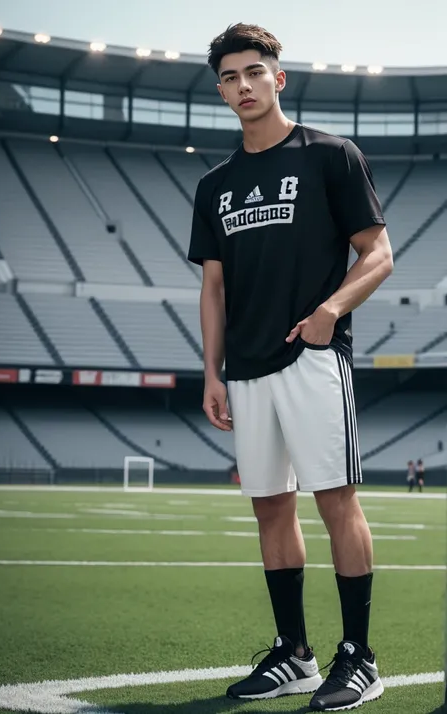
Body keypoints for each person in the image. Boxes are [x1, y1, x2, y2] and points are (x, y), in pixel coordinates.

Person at [187, 23, 394, 711]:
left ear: (280, 78)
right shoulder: (215, 185)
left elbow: (378, 253)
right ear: (219, 89)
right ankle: (295, 653)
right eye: (227, 77)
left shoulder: (331, 156)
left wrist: (331, 311)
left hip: (311, 358)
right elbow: (212, 287)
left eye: (253, 73)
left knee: (336, 502)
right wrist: (212, 372)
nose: (241, 86)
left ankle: (359, 657)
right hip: (244, 369)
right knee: (271, 508)